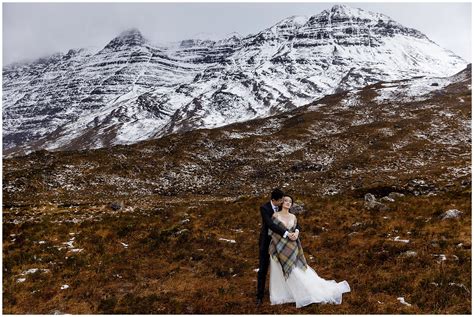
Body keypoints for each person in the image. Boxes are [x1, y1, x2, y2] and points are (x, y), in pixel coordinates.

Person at [268, 195, 351, 308]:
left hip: (293, 246)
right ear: (281, 202)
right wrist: (285, 238)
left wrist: (296, 233)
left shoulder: (293, 216)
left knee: (296, 269)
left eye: (290, 202)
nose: (288, 203)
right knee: (286, 272)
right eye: (286, 201)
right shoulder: (275, 215)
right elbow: (272, 232)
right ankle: (288, 292)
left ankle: (308, 291)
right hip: (280, 246)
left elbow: (296, 227)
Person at [257, 188, 301, 306]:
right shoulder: (265, 208)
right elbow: (270, 224)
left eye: (284, 200)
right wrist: (286, 234)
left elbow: (296, 222)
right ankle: (259, 296)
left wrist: (296, 232)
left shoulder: (284, 207)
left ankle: (287, 291)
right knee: (263, 268)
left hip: (283, 244)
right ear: (274, 200)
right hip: (268, 242)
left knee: (285, 267)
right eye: (281, 200)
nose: (283, 202)